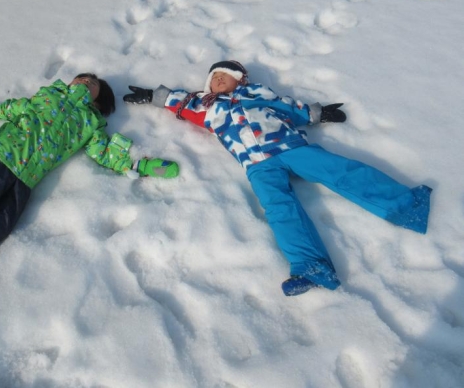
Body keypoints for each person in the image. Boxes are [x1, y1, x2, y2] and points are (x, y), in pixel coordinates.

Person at [123, 61, 431, 296]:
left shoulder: (257, 94)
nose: (217, 80)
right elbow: (180, 102)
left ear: (240, 80)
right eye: (213, 77)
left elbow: (290, 108)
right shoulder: (206, 106)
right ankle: (311, 267)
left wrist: (317, 114)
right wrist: (154, 95)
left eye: (224, 76)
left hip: (290, 147)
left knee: (340, 171)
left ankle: (406, 205)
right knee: (279, 208)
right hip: (257, 165)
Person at [0, 73, 179, 320]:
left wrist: (140, 164)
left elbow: (104, 153)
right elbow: (14, 109)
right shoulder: (48, 96)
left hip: (27, 177)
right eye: (82, 78)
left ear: (98, 101)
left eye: (93, 84)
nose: (86, 81)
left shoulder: (90, 124)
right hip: (5, 155)